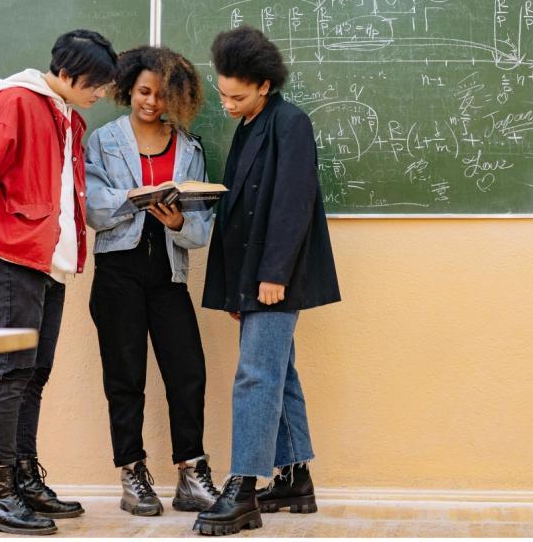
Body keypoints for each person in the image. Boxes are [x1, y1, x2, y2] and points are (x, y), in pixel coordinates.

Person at [0, 30, 118, 535]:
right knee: (11, 372)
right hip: (15, 262)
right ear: (67, 74)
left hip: (50, 265)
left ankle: (23, 478)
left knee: (34, 374)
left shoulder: (66, 117)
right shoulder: (16, 102)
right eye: (97, 84)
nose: (101, 93)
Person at [193, 26, 341, 536]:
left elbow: (293, 202)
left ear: (263, 85)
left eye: (236, 95)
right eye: (221, 93)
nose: (226, 104)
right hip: (251, 275)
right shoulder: (252, 124)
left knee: (255, 375)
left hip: (274, 276)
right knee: (279, 371)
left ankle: (244, 487)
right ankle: (295, 477)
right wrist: (239, 284)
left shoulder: (290, 123)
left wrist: (273, 275)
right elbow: (242, 210)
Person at [85, 46, 219, 518]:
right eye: (144, 92)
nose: (152, 103)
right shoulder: (102, 140)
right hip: (118, 273)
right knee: (125, 378)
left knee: (188, 373)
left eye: (163, 96)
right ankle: (132, 472)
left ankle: (191, 472)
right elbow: (94, 210)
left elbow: (200, 231)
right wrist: (135, 199)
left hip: (169, 273)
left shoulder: (190, 147)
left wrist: (178, 220)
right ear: (127, 89)